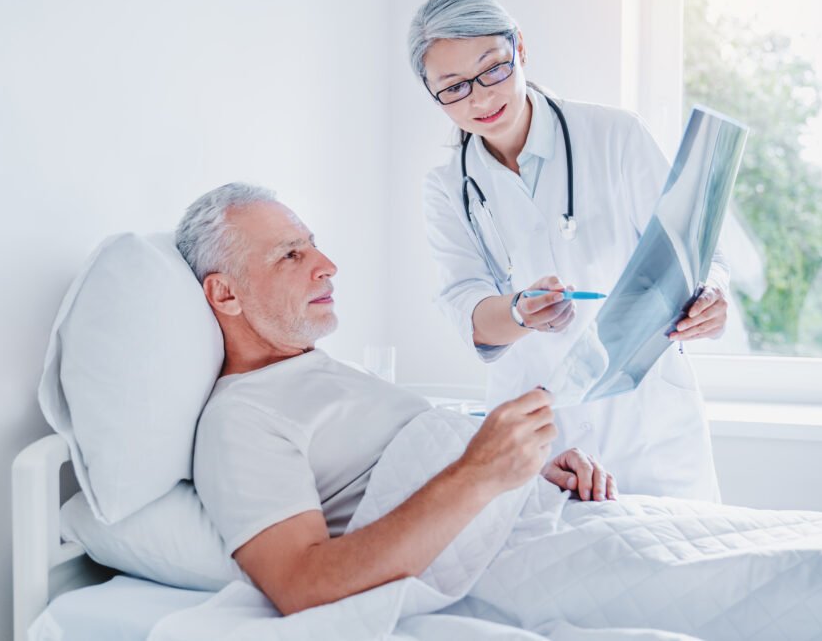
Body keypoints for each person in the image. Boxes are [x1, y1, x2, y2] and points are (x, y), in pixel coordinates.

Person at [175, 183, 615, 616]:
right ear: (225, 294)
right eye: (291, 255)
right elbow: (301, 586)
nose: (328, 265)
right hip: (521, 557)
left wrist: (531, 469)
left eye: (313, 246)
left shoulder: (323, 376)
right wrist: (481, 470)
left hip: (555, 513)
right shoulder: (241, 417)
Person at [409, 0, 730, 501]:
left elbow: (695, 251)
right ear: (432, 93)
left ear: (520, 49)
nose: (480, 97)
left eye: (492, 68)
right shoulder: (449, 186)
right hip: (540, 436)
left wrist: (710, 295)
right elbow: (466, 308)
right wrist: (519, 312)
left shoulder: (615, 136)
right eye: (453, 87)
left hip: (648, 426)